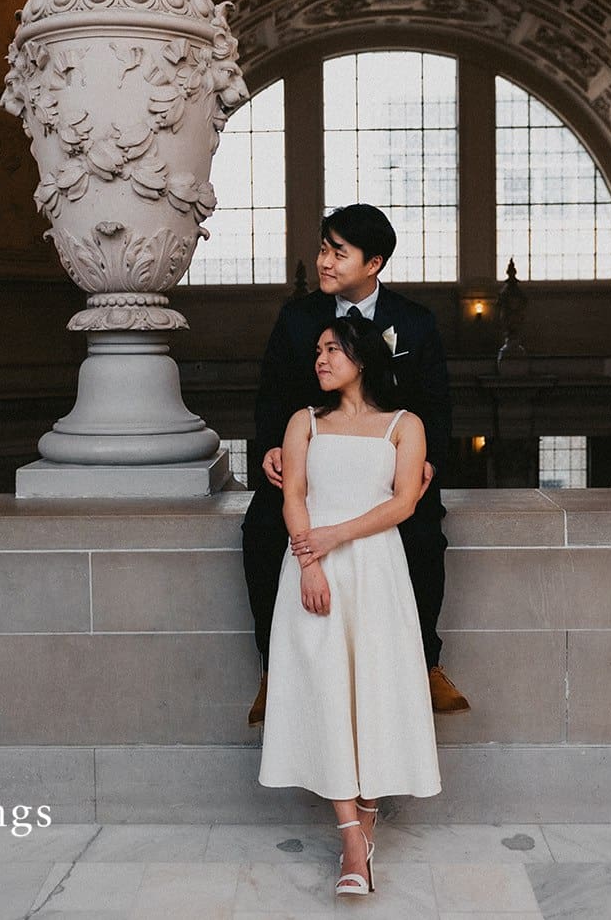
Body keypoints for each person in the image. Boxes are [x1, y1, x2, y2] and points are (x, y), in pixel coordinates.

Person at [241, 203, 469, 727]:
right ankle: (272, 672)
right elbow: (271, 393)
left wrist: (426, 459)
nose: (324, 262)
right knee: (260, 529)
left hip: (385, 463)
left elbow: (437, 403)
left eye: (338, 253)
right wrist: (272, 448)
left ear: (374, 263)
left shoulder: (414, 322)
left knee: (426, 534)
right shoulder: (297, 319)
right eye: (323, 249)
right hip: (313, 462)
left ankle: (427, 664)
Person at [258, 315, 441, 896]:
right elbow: (294, 497)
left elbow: (404, 503)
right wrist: (311, 561)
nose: (321, 359)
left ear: (363, 358)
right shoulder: (303, 422)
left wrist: (338, 537)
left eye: (332, 349)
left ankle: (368, 812)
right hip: (313, 570)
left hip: (377, 571)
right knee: (325, 689)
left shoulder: (405, 427)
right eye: (318, 350)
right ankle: (352, 844)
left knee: (373, 689)